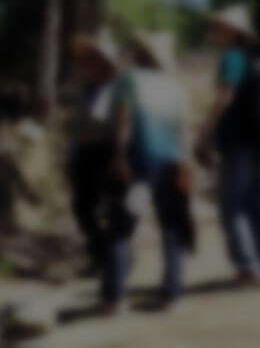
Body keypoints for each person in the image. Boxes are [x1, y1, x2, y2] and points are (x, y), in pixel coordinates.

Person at [102, 31, 195, 312]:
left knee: (122, 227)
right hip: (173, 164)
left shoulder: (129, 79)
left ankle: (116, 297)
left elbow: (121, 120)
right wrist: (187, 162)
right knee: (171, 227)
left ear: (141, 54)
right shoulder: (175, 85)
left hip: (141, 165)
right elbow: (185, 128)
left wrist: (118, 155)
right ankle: (172, 293)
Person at [195, 4, 260, 285]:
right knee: (257, 202)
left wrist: (204, 133)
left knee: (232, 205)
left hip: (238, 139)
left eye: (218, 28)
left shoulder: (232, 57)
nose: (214, 33)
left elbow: (225, 96)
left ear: (233, 31)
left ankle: (248, 266)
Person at [66, 28, 123, 277]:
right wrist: (70, 157)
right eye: (88, 57)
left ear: (106, 61)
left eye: (96, 57)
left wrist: (121, 156)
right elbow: (75, 129)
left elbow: (122, 125)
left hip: (108, 151)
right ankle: (101, 254)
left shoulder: (118, 89)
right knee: (82, 208)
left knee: (112, 208)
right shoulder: (83, 91)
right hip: (85, 154)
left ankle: (114, 259)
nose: (90, 63)